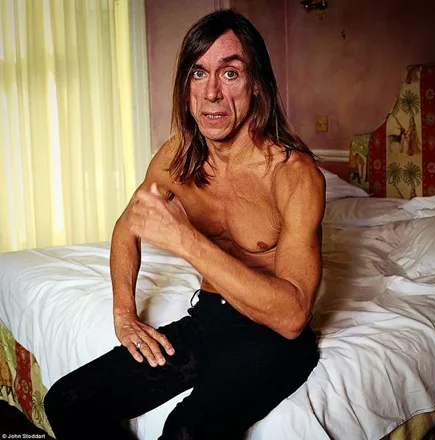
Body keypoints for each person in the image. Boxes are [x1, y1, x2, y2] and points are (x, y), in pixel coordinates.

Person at [44, 9, 325, 440]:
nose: (211, 93)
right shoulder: (177, 157)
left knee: (186, 431)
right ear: (186, 85)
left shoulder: (294, 175)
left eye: (230, 73)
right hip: (208, 321)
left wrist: (186, 240)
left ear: (256, 83)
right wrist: (123, 313)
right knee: (67, 400)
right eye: (198, 73)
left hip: (273, 339)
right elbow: (127, 226)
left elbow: (292, 316)